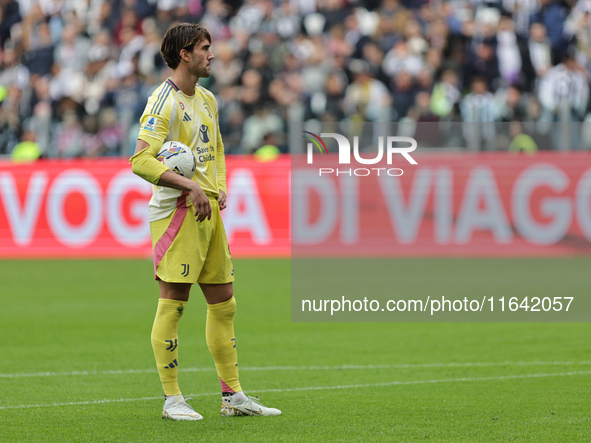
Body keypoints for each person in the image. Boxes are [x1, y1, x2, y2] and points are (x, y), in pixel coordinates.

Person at [130, 22, 281, 421]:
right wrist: (190, 187)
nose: (212, 54)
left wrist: (217, 187)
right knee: (174, 304)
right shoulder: (162, 101)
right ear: (185, 54)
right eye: (205, 48)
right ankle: (172, 400)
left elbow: (216, 148)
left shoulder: (208, 99)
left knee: (224, 303)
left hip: (207, 211)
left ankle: (232, 397)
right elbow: (141, 159)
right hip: (176, 215)